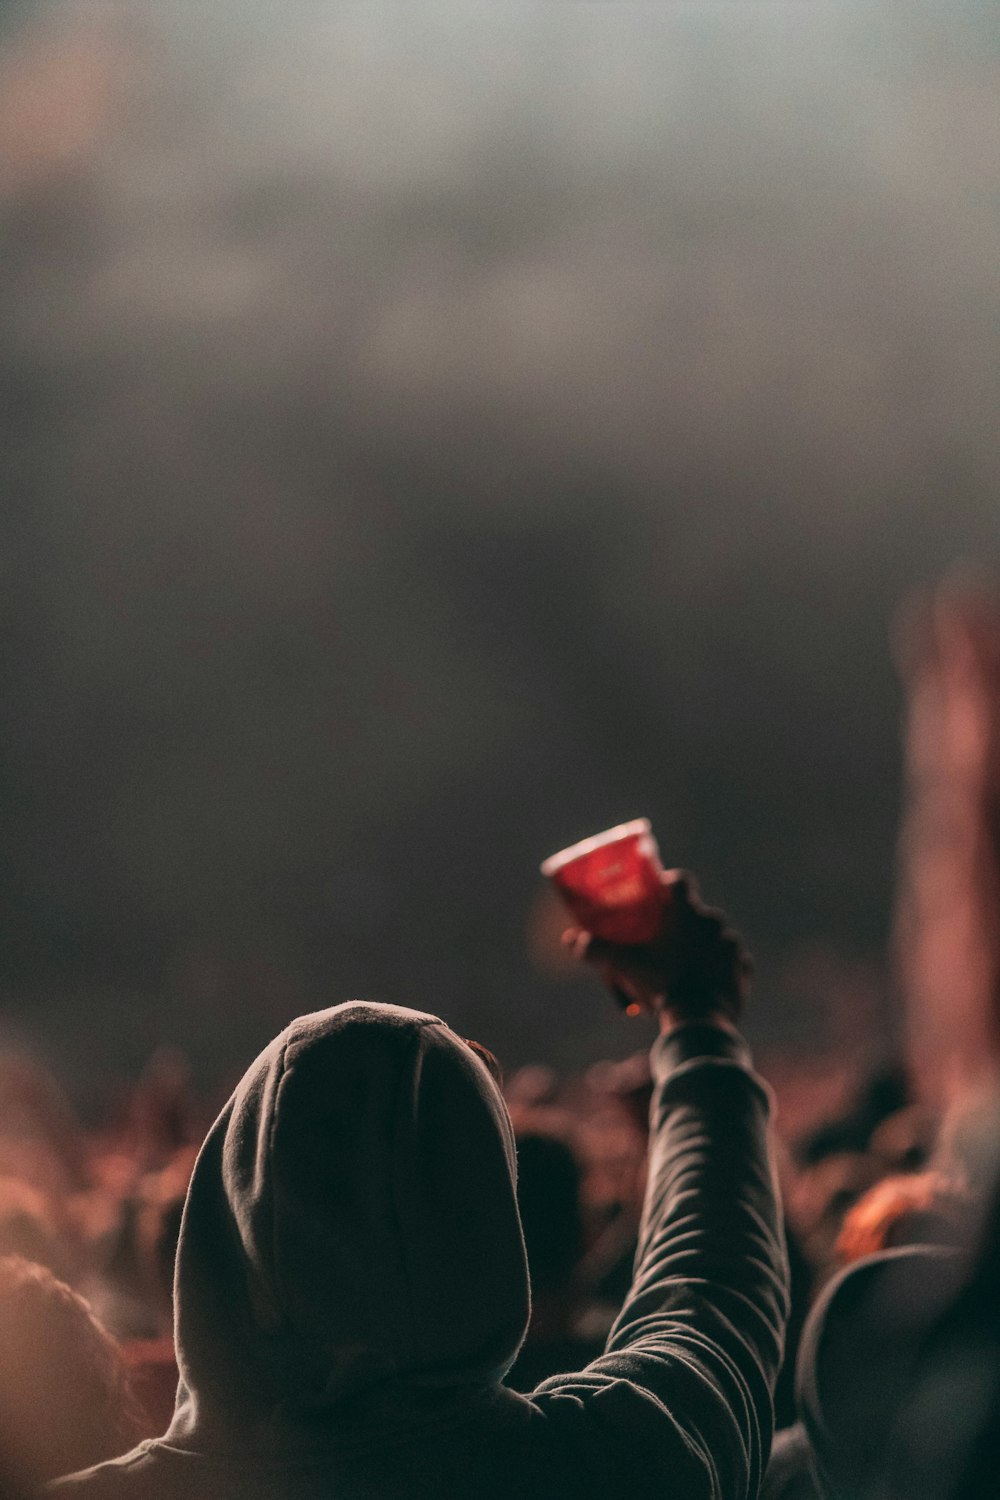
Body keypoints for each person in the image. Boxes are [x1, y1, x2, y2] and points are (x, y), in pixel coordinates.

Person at [51, 872, 788, 1500]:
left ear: (221, 1222)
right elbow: (713, 1283)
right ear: (487, 1222)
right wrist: (699, 1023)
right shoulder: (611, 1465)